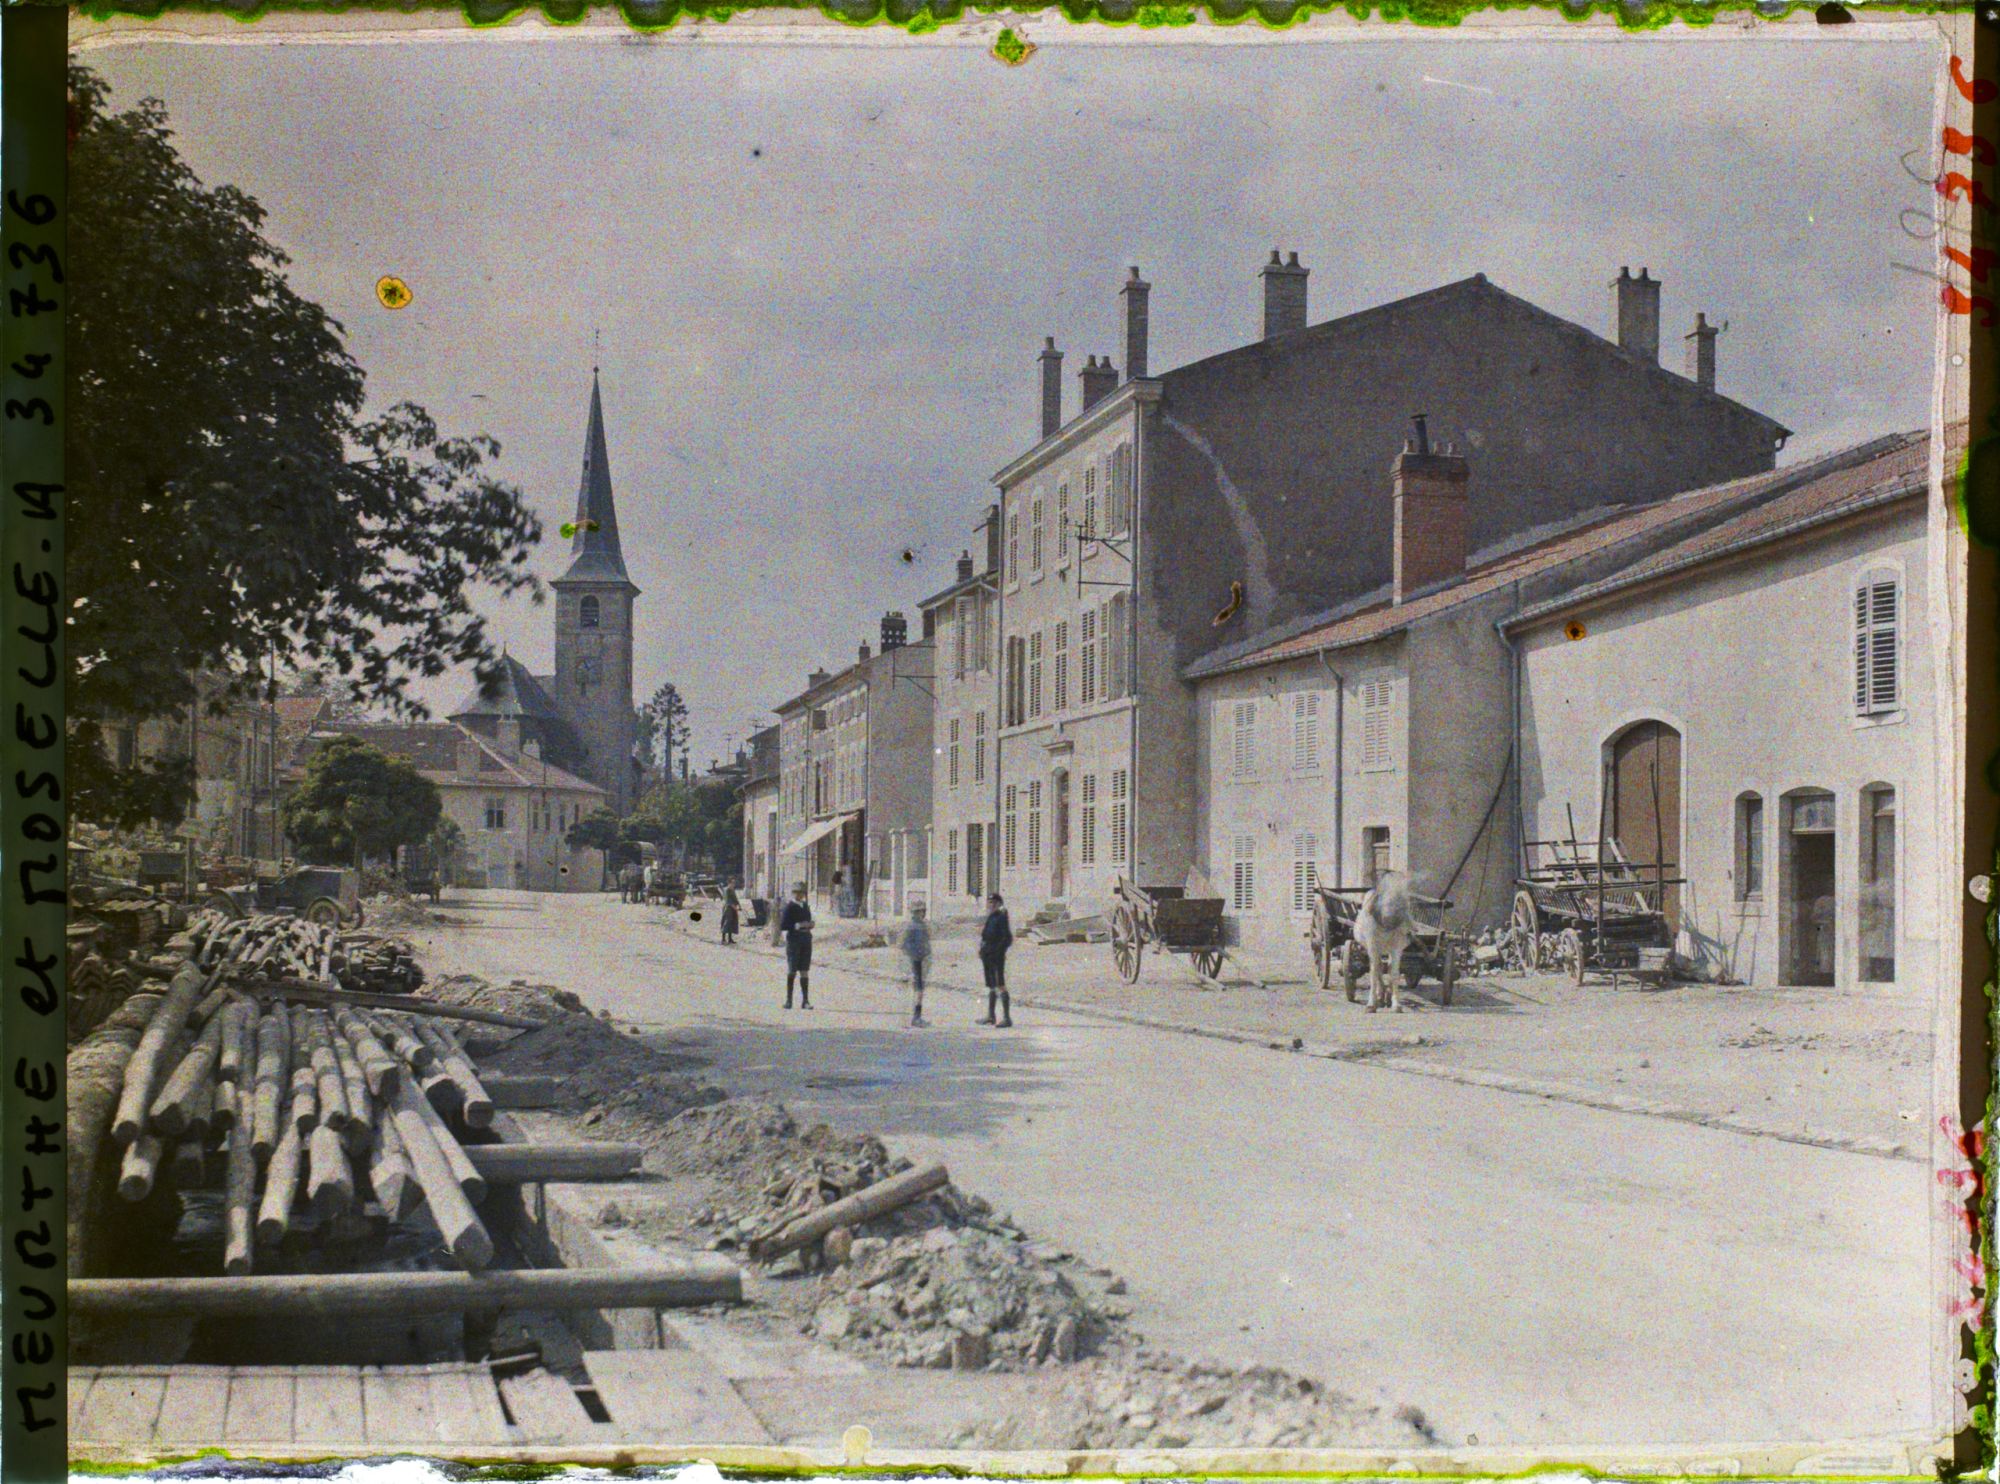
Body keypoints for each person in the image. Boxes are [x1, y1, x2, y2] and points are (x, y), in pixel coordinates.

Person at [977, 892, 1013, 1027]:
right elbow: (985, 935)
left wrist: (998, 952)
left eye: (993, 903)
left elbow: (1007, 939)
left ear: (999, 904)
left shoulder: (1001, 918)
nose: (990, 905)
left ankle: (1007, 1018)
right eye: (989, 903)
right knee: (991, 985)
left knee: (1000, 984)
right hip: (987, 956)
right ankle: (991, 1016)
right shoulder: (991, 917)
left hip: (996, 956)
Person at [779, 882, 814, 1009]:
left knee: (804, 970)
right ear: (793, 893)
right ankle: (789, 1000)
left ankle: (805, 1001)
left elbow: (809, 919)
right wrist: (796, 925)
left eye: (802, 893)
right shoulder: (790, 907)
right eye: (797, 893)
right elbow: (783, 925)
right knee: (792, 970)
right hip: (794, 940)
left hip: (806, 939)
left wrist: (809, 924)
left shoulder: (805, 906)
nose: (800, 895)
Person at [900, 902, 933, 1027]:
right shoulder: (912, 926)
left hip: (922, 961)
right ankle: (916, 1017)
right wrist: (915, 955)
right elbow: (904, 945)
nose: (922, 913)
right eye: (920, 911)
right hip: (916, 961)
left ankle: (917, 1016)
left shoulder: (921, 925)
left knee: (920, 990)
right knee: (918, 990)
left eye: (923, 911)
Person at [720, 880, 741, 945]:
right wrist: (734, 907)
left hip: (733, 908)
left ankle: (730, 939)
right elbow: (728, 900)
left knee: (732, 922)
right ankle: (723, 939)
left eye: (734, 883)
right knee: (727, 922)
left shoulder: (732, 890)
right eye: (732, 883)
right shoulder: (727, 890)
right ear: (729, 883)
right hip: (728, 908)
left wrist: (739, 905)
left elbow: (735, 899)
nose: (733, 884)